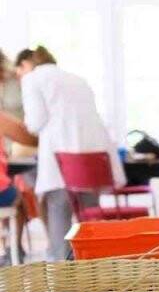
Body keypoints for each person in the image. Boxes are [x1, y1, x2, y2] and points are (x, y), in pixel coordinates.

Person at [15, 46, 124, 262]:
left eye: (18, 72)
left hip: (63, 159)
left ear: (25, 65)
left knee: (57, 206)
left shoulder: (32, 79)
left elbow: (35, 123)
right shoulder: (77, 79)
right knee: (90, 214)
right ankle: (95, 268)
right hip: (95, 157)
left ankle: (60, 273)